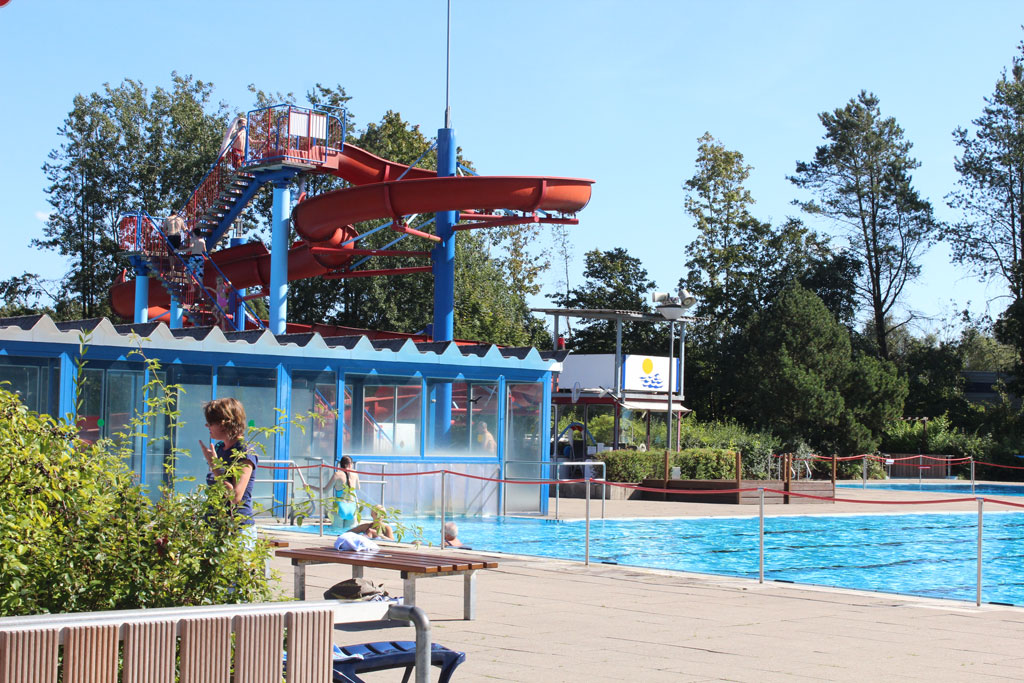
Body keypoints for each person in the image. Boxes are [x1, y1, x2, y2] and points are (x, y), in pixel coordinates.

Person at [199, 397, 258, 537]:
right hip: (216, 526)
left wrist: (215, 466)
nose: (207, 426)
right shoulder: (220, 449)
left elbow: (235, 497)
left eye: (211, 422)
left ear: (225, 423)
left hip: (237, 529)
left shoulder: (244, 453)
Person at [319, 455, 360, 532]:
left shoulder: (337, 475)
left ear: (341, 464)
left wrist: (309, 486)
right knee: (350, 533)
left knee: (336, 532)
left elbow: (325, 490)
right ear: (350, 464)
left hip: (340, 507)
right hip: (352, 508)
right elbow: (358, 487)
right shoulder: (355, 474)